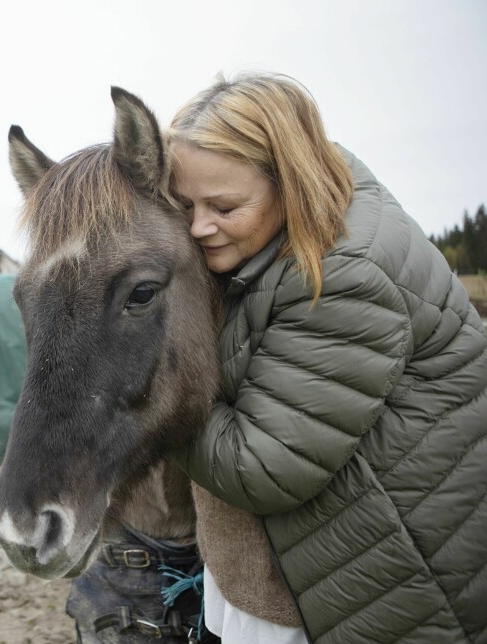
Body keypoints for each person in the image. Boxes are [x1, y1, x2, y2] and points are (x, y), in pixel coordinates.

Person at [166, 72, 487, 644]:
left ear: (289, 182)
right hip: (338, 552)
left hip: (389, 573)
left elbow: (261, 466)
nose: (198, 226)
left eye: (223, 205)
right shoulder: (280, 239)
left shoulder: (340, 274)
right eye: (183, 203)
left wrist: (151, 397)